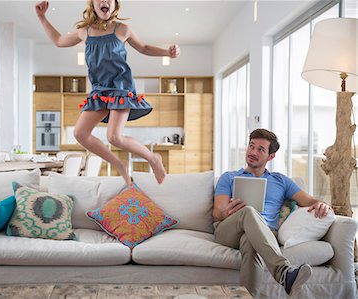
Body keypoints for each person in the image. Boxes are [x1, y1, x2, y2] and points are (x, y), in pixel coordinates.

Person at [35, 0, 180, 185]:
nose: (104, 1)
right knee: (80, 133)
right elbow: (59, 41)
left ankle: (153, 158)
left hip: (120, 89)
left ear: (114, 4)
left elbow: (143, 48)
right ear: (93, 4)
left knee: (114, 137)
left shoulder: (122, 29)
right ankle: (118, 163)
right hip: (100, 91)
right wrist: (42, 17)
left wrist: (167, 53)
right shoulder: (84, 31)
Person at [213, 128, 333, 297]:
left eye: (260, 149)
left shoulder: (281, 181)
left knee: (250, 240)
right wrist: (226, 213)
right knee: (248, 210)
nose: (253, 152)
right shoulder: (229, 177)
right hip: (229, 230)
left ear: (271, 156)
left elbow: (311, 201)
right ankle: (283, 271)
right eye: (251, 146)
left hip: (264, 234)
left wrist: (322, 205)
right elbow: (217, 212)